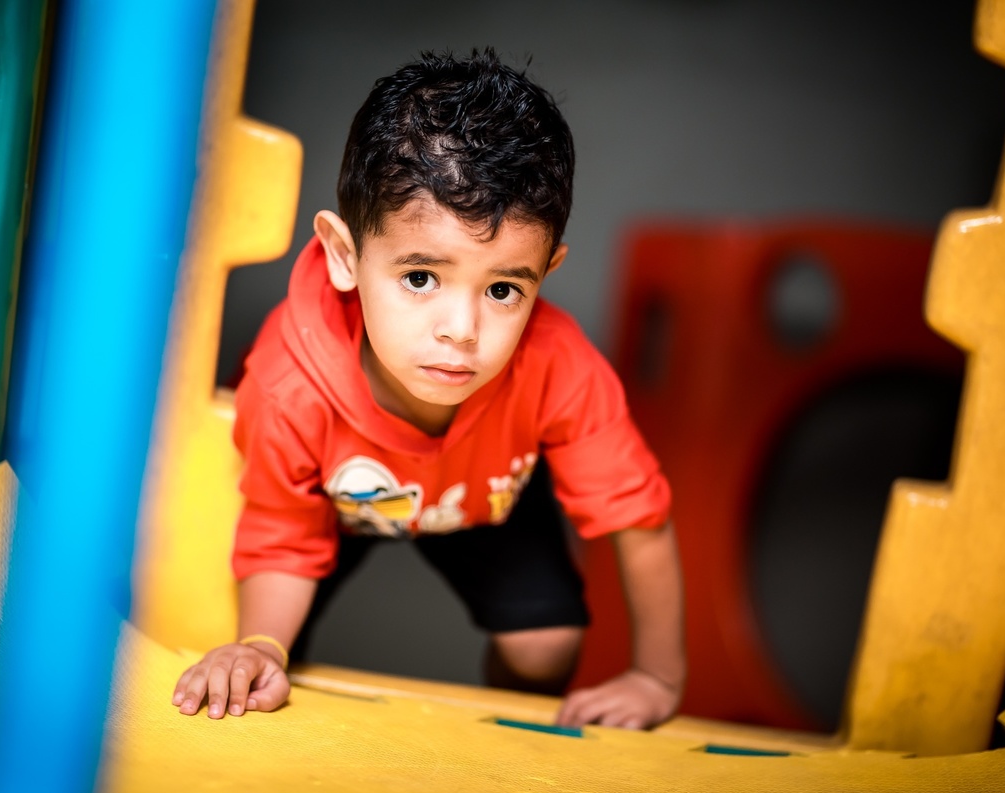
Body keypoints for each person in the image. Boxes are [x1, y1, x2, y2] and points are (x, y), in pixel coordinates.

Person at [172, 48, 686, 730]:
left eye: (502, 289)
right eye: (420, 278)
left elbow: (636, 514)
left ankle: (511, 733)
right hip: (331, 501)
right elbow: (281, 537)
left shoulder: (558, 366)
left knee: (546, 646)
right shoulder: (288, 382)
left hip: (485, 488)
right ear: (345, 256)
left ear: (545, 273)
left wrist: (658, 675)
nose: (461, 330)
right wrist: (260, 646)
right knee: (271, 655)